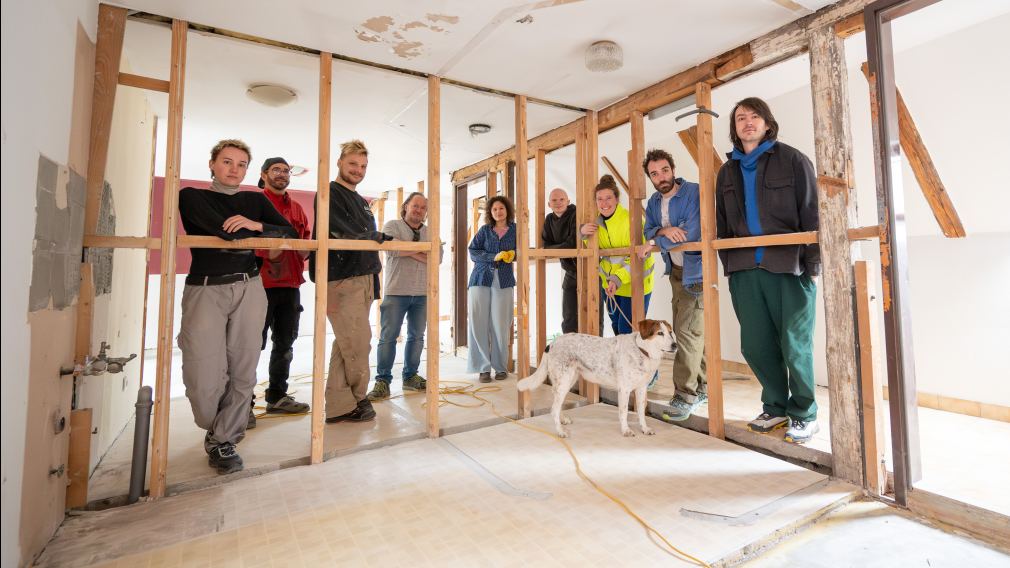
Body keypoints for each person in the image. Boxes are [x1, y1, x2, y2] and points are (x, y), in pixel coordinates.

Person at [177, 139, 297, 474]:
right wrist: (246, 228)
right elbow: (224, 234)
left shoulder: (254, 201)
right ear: (212, 164)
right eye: (227, 162)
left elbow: (288, 231)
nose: (234, 169)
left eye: (242, 164)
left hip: (249, 286)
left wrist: (256, 224)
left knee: (244, 366)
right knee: (202, 374)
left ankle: (223, 441)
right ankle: (216, 427)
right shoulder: (191, 196)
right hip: (205, 290)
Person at [716, 97, 820, 444]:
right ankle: (775, 406)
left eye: (754, 116)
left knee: (795, 345)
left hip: (789, 266)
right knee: (756, 345)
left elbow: (813, 211)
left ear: (767, 122)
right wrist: (729, 266)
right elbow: (721, 222)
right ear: (734, 128)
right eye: (741, 118)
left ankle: (804, 413)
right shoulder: (727, 171)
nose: (747, 122)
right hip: (745, 269)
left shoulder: (792, 160)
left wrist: (813, 263)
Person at [309, 140, 391, 424]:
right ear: (340, 163)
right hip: (342, 280)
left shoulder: (362, 202)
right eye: (353, 164)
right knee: (358, 345)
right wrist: (369, 238)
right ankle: (358, 398)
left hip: (363, 278)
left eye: (363, 166)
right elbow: (338, 232)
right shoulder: (329, 193)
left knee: (346, 345)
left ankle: (338, 407)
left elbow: (364, 236)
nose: (358, 170)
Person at [638, 149, 707, 421]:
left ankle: (685, 396)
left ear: (673, 168)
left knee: (686, 333)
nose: (660, 177)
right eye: (654, 173)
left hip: (696, 271)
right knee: (691, 331)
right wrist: (664, 231)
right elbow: (648, 231)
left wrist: (657, 239)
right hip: (676, 272)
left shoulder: (692, 192)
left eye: (664, 170)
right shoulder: (655, 201)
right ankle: (702, 388)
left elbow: (692, 232)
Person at [246, 157, 311, 430]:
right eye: (276, 170)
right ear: (264, 174)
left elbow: (305, 244)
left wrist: (301, 249)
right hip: (260, 285)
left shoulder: (296, 208)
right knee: (250, 347)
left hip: (291, 285)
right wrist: (275, 246)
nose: (282, 174)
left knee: (284, 345)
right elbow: (251, 245)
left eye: (286, 171)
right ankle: (242, 404)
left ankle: (277, 396)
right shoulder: (255, 206)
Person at [367, 192, 442, 400]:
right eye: (415, 206)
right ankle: (383, 381)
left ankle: (410, 377)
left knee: (417, 337)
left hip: (422, 293)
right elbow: (391, 250)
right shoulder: (392, 226)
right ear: (406, 206)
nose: (418, 210)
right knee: (388, 337)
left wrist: (405, 248)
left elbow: (437, 258)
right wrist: (422, 252)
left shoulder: (430, 231)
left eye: (422, 207)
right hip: (396, 291)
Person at [580, 174, 655, 336]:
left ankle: (633, 362)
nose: (603, 203)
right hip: (611, 286)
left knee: (627, 332)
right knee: (616, 328)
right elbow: (595, 251)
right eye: (599, 199)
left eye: (608, 198)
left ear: (617, 199)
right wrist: (583, 234)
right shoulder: (596, 223)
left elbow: (641, 257)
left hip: (635, 284)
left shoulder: (631, 220)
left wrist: (617, 279)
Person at [467, 195, 516, 383]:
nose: (498, 212)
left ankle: (500, 367)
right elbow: (473, 251)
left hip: (503, 280)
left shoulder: (515, 230)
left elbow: (522, 250)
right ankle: (483, 368)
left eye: (501, 208)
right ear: (490, 212)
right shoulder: (485, 230)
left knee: (501, 323)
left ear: (507, 210)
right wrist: (492, 256)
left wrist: (514, 254)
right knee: (478, 323)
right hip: (480, 279)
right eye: (494, 209)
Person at [541, 188, 578, 334]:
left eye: (562, 199)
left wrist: (554, 248)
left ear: (568, 201)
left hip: (587, 269)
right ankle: (568, 352)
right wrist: (560, 247)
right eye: (554, 200)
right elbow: (545, 245)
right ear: (549, 204)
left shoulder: (576, 214)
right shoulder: (549, 219)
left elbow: (573, 243)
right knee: (568, 317)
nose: (558, 203)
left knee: (591, 314)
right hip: (569, 271)